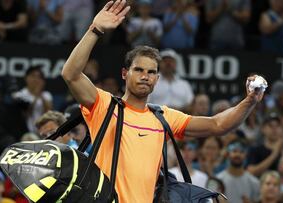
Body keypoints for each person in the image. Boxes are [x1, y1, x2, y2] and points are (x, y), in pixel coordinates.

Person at [61, 0, 266, 202]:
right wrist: (95, 29)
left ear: (157, 79)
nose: (145, 76)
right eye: (138, 70)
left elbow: (217, 125)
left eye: (151, 72)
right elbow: (71, 74)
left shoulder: (163, 117)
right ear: (125, 74)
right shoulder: (105, 105)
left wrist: (250, 101)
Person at [12, 66, 53, 133]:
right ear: (26, 78)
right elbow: (24, 115)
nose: (36, 79)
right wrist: (36, 95)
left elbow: (49, 114)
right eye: (33, 76)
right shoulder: (20, 95)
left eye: (39, 77)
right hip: (25, 132)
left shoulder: (46, 95)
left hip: (43, 132)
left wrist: (40, 93)